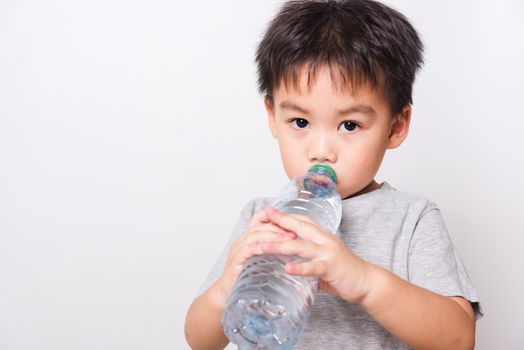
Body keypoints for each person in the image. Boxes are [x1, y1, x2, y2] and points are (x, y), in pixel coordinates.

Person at [184, 0, 482, 348]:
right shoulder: (263, 218)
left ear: (395, 126)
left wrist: (366, 282)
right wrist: (223, 292)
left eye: (349, 125)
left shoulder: (412, 219)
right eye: (300, 122)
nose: (321, 150)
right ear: (272, 117)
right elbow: (199, 340)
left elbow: (458, 339)